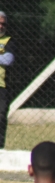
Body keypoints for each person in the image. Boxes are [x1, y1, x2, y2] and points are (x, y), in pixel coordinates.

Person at [0, 11, 15, 149]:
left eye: (3, 24)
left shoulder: (8, 41)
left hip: (2, 87)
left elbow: (8, 60)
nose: (0, 26)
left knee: (0, 117)